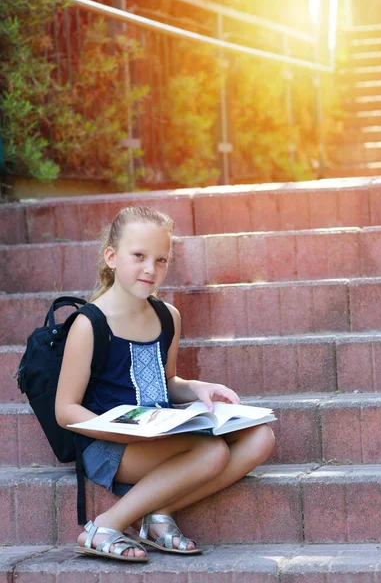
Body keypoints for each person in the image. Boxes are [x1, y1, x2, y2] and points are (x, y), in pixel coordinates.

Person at [55, 205, 275, 563]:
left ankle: (157, 514)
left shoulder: (167, 316)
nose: (150, 269)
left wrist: (196, 389)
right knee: (212, 452)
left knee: (261, 437)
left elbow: (166, 381)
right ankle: (104, 527)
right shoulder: (89, 323)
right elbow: (65, 411)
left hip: (161, 432)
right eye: (139, 256)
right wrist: (123, 431)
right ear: (111, 257)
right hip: (110, 444)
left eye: (161, 260)